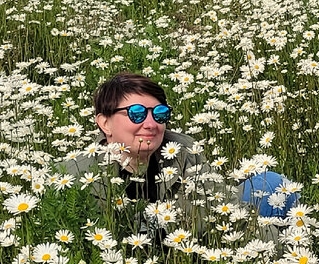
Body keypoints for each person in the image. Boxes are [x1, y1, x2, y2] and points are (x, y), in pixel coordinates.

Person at [60, 72, 296, 239]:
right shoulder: (75, 177)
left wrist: (294, 260)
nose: (151, 124)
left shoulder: (182, 152)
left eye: (160, 113)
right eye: (137, 114)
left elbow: (233, 217)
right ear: (105, 123)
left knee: (274, 184)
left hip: (189, 253)